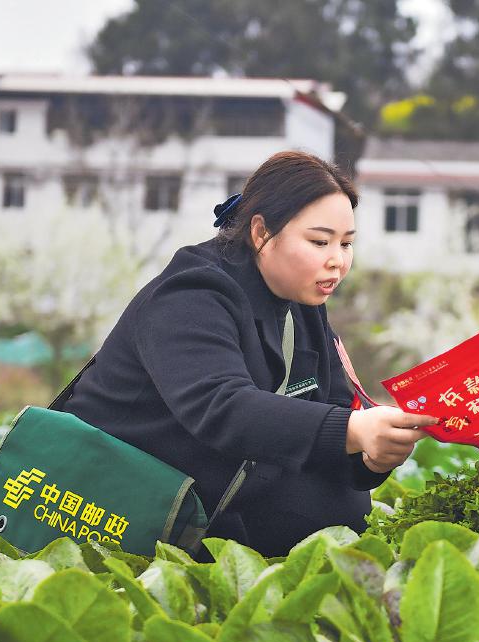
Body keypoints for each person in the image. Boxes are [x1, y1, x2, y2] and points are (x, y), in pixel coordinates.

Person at [62, 151, 436, 558]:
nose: (338, 261)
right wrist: (351, 429)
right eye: (319, 241)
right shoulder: (191, 294)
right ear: (260, 232)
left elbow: (329, 409)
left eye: (346, 243)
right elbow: (221, 407)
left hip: (212, 489)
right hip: (119, 499)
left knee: (339, 500)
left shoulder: (303, 303)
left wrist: (371, 458)